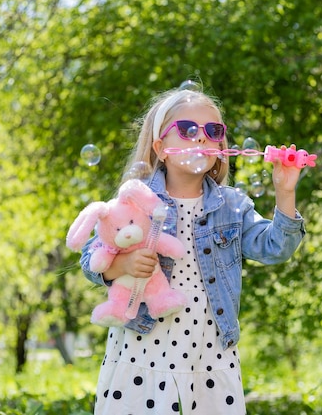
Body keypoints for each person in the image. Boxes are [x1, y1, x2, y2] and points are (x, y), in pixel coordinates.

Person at [80, 85, 306, 414]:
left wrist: (285, 193)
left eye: (212, 131)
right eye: (187, 130)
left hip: (210, 353)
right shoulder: (137, 200)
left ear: (221, 145)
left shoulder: (233, 206)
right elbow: (90, 259)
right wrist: (122, 265)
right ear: (160, 146)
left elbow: (275, 248)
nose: (201, 138)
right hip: (144, 349)